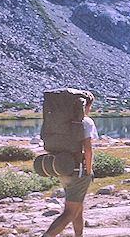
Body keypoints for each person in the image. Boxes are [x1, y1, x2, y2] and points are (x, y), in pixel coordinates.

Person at [43, 91, 98, 237]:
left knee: (77, 207)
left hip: (63, 169)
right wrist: (88, 170)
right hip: (79, 171)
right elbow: (88, 148)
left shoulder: (61, 123)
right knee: (69, 212)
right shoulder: (86, 122)